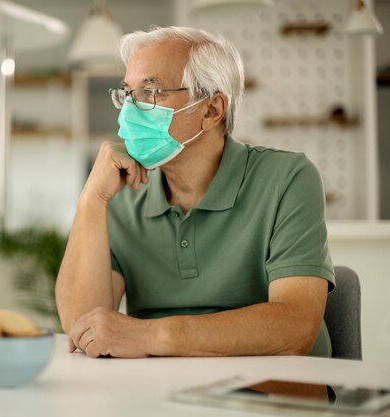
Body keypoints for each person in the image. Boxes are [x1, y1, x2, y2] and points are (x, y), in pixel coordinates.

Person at [55, 26, 335, 359]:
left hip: (275, 390)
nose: (129, 111)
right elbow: (83, 330)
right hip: (162, 391)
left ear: (211, 110)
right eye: (127, 93)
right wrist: (92, 200)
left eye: (151, 92)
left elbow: (295, 327)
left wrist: (151, 335)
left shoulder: (288, 178)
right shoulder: (119, 191)